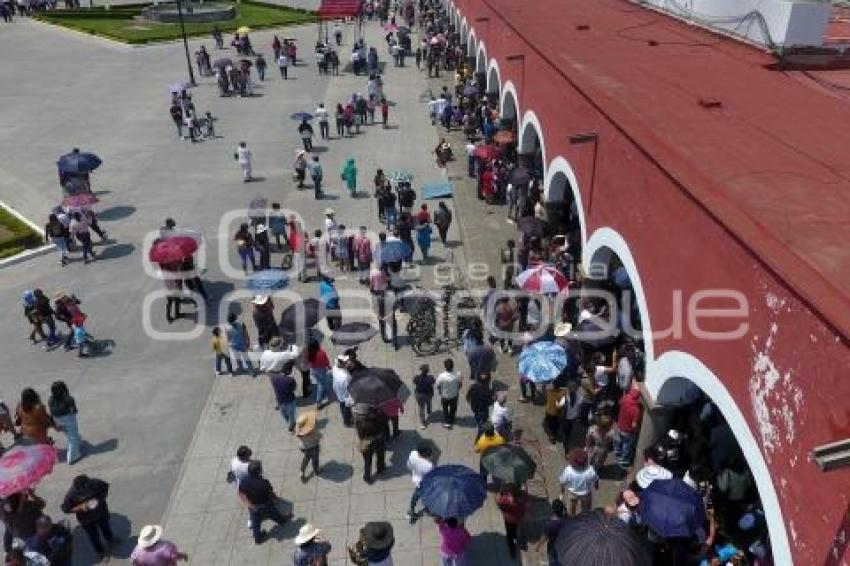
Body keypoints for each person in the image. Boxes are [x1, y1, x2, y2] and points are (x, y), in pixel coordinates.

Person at [60, 475, 114, 561]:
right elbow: (65, 509)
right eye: (83, 490)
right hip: (86, 520)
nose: (86, 492)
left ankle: (110, 539)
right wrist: (79, 507)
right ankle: (100, 552)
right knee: (93, 536)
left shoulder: (96, 482)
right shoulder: (71, 494)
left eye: (87, 487)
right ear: (77, 488)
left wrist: (100, 499)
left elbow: (105, 488)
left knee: (105, 527)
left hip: (101, 512)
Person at [238, 461, 292, 544]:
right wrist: (277, 499)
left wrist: (250, 505)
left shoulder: (244, 481)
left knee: (255, 523)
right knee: (274, 514)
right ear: (259, 471)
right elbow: (270, 493)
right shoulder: (264, 483)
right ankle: (283, 520)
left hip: (253, 507)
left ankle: (258, 538)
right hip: (265, 505)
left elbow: (241, 494)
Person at [48, 381, 82, 465]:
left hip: (57, 419)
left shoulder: (50, 399)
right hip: (68, 419)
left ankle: (79, 442)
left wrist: (54, 424)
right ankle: (72, 457)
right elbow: (74, 411)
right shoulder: (68, 398)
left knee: (68, 433)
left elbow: (51, 412)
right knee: (72, 437)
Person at [354, 404, 387, 484]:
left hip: (366, 442)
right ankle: (380, 468)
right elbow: (385, 427)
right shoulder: (380, 417)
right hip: (379, 439)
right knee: (380, 455)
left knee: (367, 461)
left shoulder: (360, 421)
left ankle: (367, 476)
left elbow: (360, 434)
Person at [558, 448, 598, 515]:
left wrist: (562, 493)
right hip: (586, 494)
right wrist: (596, 486)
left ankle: (573, 521)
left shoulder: (568, 470)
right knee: (586, 511)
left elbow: (563, 482)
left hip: (573, 493)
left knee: (571, 510)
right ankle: (584, 521)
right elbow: (595, 479)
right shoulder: (590, 470)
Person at [496, 484, 527, 558]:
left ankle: (512, 551)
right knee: (514, 530)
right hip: (516, 519)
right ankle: (515, 538)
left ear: (509, 494)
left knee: (509, 536)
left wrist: (500, 490)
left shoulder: (505, 501)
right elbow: (525, 498)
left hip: (508, 520)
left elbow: (497, 501)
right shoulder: (521, 500)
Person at [615, 387, 642, 468]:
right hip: (628, 431)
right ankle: (623, 460)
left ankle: (617, 452)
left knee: (619, 440)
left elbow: (619, 403)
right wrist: (636, 431)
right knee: (626, 445)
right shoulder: (636, 409)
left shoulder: (626, 397)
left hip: (620, 425)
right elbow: (634, 425)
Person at [406, 443, 433, 522]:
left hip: (416, 479)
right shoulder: (428, 465)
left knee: (416, 495)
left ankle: (411, 509)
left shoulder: (413, 454)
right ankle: (428, 509)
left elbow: (409, 466)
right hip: (424, 482)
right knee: (427, 495)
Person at [535, 499, 567, 566]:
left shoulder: (549, 524)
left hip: (553, 549)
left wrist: (538, 546)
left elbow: (544, 538)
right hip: (565, 547)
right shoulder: (568, 520)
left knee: (553, 563)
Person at [270, 359, 298, 432]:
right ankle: (291, 424)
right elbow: (294, 389)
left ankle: (288, 422)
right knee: (291, 414)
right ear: (288, 371)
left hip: (280, 400)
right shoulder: (290, 379)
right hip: (290, 400)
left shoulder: (273, 378)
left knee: (284, 413)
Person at [226, 312, 256, 376]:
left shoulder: (227, 327)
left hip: (233, 345)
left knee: (237, 358)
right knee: (246, 357)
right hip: (242, 343)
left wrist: (229, 344)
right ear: (235, 318)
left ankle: (241, 369)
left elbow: (228, 338)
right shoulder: (242, 324)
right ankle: (251, 371)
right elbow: (246, 334)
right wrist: (248, 342)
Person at [295, 411, 322, 482]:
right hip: (313, 447)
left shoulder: (298, 430)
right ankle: (316, 471)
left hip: (303, 447)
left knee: (306, 458)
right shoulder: (312, 432)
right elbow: (319, 437)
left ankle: (301, 472)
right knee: (315, 459)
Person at [435, 358, 461, 429]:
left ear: (445, 366)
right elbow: (460, 384)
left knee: (445, 409)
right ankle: (451, 420)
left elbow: (438, 385)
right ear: (453, 366)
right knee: (453, 409)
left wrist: (440, 391)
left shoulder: (441, 376)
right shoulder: (458, 374)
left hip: (444, 396)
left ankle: (447, 422)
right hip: (454, 395)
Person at [306, 338, 332, 408]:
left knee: (319, 382)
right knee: (321, 384)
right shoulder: (321, 353)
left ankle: (322, 393)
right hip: (320, 370)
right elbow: (326, 362)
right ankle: (318, 401)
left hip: (313, 369)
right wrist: (329, 367)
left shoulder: (308, 352)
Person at [332, 355, 354, 426]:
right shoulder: (345, 377)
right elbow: (349, 387)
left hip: (338, 391)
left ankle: (346, 419)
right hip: (346, 395)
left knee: (342, 405)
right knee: (346, 408)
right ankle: (347, 422)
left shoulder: (335, 368)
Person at [412, 364, 435, 429]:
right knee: (429, 402)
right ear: (428, 371)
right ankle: (429, 410)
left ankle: (423, 423)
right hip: (428, 394)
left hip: (419, 395)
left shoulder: (416, 378)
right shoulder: (431, 378)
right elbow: (433, 382)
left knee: (421, 408)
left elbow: (414, 382)